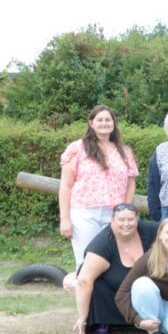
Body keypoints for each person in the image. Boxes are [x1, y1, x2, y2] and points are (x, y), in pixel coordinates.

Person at [59, 105, 139, 269]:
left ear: (113, 123)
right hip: (84, 214)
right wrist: (64, 219)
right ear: (91, 123)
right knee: (86, 259)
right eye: (100, 120)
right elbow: (66, 186)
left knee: (112, 259)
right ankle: (85, 293)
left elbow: (130, 184)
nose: (104, 123)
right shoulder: (77, 149)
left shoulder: (124, 151)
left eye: (108, 119)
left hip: (114, 215)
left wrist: (126, 211)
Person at [72, 204, 157, 334]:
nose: (126, 224)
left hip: (147, 291)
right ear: (112, 221)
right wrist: (82, 318)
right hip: (114, 292)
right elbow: (84, 281)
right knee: (91, 275)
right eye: (121, 220)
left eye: (130, 220)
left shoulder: (152, 230)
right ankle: (104, 321)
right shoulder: (102, 244)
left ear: (137, 219)